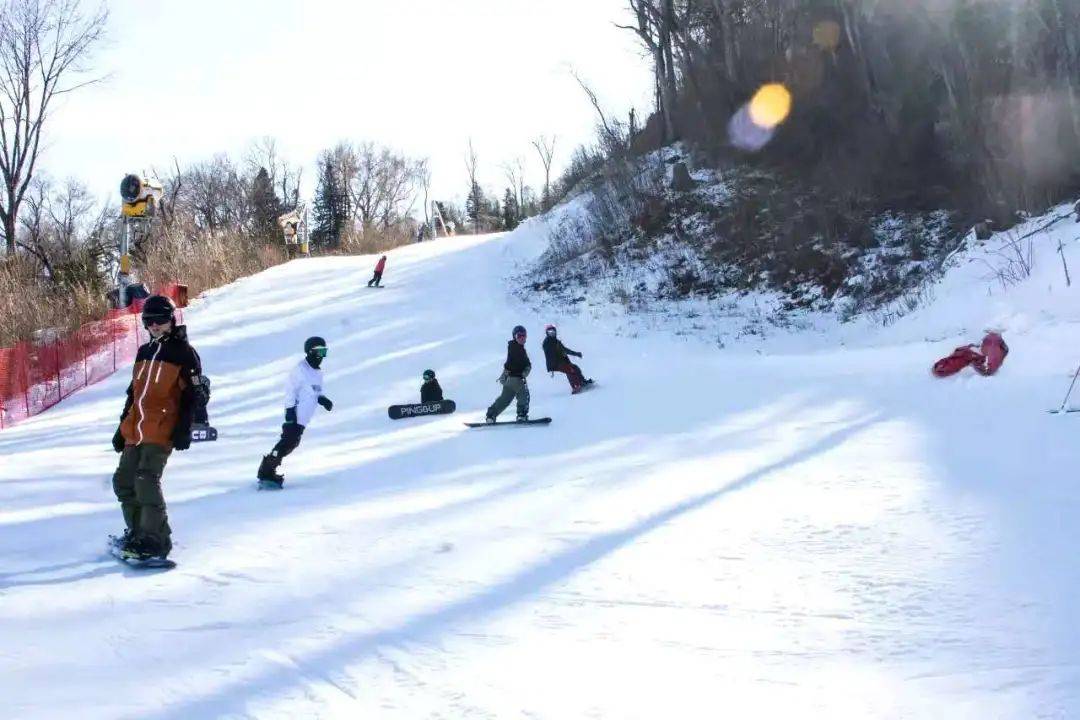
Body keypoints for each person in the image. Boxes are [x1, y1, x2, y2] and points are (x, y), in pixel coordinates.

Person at [110, 295, 207, 561]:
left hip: (161, 428)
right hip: (136, 428)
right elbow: (134, 394)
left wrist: (185, 427)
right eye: (149, 321)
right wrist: (122, 427)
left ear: (171, 320)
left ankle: (156, 541)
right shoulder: (144, 352)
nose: (155, 325)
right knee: (123, 482)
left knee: (145, 480)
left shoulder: (184, 353)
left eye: (161, 320)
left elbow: (195, 394)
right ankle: (139, 532)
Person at [257, 336, 334, 488]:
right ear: (310, 352)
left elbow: (316, 391)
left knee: (291, 443)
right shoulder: (300, 369)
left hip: (304, 418)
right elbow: (290, 391)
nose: (321, 357)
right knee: (288, 442)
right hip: (295, 416)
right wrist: (290, 411)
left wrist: (323, 399)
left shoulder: (317, 372)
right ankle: (266, 472)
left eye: (324, 352)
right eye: (319, 352)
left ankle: (268, 469)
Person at [486, 325, 531, 422]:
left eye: (524, 336)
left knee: (504, 399)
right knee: (524, 395)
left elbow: (518, 363)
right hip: (517, 379)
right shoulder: (515, 348)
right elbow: (517, 362)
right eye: (519, 336)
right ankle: (521, 414)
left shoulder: (516, 347)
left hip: (509, 380)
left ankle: (491, 415)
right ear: (514, 337)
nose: (522, 338)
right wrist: (525, 368)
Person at [542, 324, 592, 394]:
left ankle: (582, 382)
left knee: (575, 367)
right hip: (555, 363)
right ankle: (575, 386)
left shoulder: (556, 341)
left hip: (561, 361)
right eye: (550, 332)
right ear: (547, 333)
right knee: (570, 370)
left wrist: (576, 354)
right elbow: (550, 351)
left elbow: (565, 350)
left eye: (553, 331)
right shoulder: (547, 342)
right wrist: (559, 353)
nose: (552, 333)